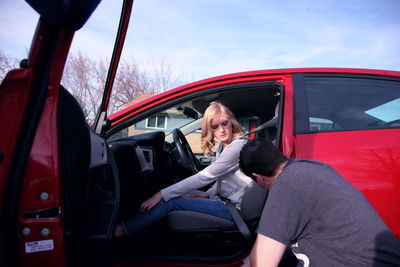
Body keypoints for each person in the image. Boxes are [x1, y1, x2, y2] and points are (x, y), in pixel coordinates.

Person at [239, 139, 400, 267]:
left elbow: (263, 263)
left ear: (258, 177)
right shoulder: (311, 168)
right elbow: (282, 240)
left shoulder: (286, 185)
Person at [115, 102, 252, 237]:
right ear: (209, 129)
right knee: (171, 192)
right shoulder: (224, 146)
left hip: (232, 209)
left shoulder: (237, 147)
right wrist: (207, 194)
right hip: (223, 199)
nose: (221, 130)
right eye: (215, 126)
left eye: (224, 123)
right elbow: (223, 178)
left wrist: (160, 194)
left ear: (232, 122)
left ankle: (121, 230)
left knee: (171, 199)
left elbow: (205, 176)